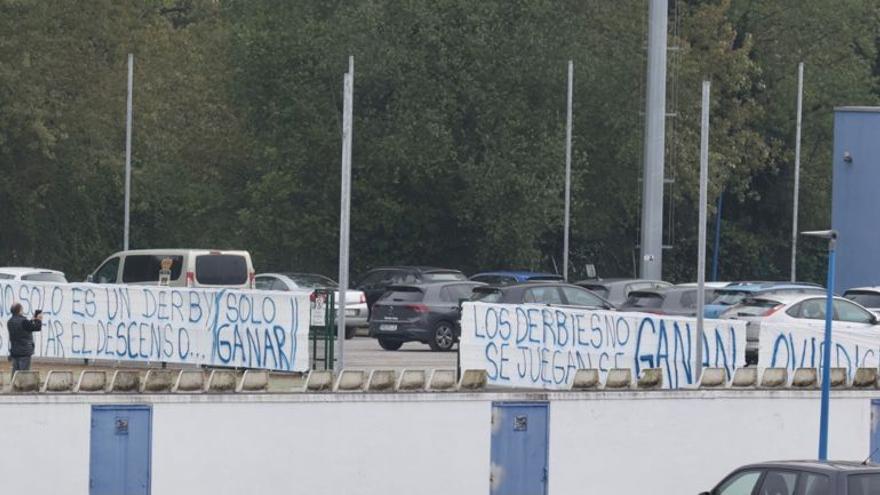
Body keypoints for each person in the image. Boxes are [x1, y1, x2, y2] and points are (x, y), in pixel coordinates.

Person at [6, 303, 42, 372]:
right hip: (24, 351)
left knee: (15, 373)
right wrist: (38, 320)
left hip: (15, 351)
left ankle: (14, 383)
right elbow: (37, 328)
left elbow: (22, 329)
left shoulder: (9, 322)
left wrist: (31, 320)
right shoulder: (24, 321)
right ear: (20, 310)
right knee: (23, 374)